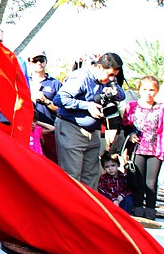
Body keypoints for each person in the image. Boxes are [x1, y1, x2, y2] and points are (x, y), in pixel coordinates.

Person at [53, 52, 126, 189]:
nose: (111, 78)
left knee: (91, 176)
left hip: (93, 132)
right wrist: (87, 106)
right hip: (72, 128)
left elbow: (121, 96)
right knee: (72, 176)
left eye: (114, 75)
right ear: (99, 67)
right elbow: (59, 99)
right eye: (109, 74)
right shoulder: (81, 77)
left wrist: (115, 89)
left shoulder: (109, 82)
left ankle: (86, 209)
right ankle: (69, 209)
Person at [122, 76, 164, 219]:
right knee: (137, 180)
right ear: (139, 90)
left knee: (151, 182)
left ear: (156, 91)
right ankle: (137, 210)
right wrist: (130, 135)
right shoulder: (131, 106)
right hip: (137, 150)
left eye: (152, 90)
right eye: (145, 89)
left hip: (155, 150)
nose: (148, 93)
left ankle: (150, 210)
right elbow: (125, 125)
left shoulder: (162, 108)